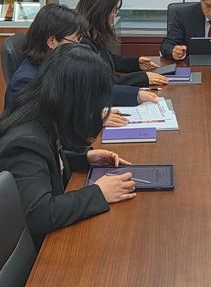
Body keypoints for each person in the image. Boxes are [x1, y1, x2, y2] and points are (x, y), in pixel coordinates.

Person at [0, 44, 137, 249]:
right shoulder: (24, 142)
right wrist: (98, 193)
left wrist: (83, 158)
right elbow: (37, 214)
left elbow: (44, 165)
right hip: (39, 255)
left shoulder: (41, 114)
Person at [4, 3, 148, 125]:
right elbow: (45, 125)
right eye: (75, 40)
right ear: (52, 42)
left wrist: (135, 95)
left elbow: (91, 92)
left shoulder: (58, 68)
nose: (79, 46)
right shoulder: (26, 81)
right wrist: (92, 119)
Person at [76, 0, 168, 89]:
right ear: (100, 12)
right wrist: (142, 78)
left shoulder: (94, 35)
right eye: (113, 11)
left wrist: (136, 64)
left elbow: (107, 60)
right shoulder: (82, 44)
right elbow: (105, 82)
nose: (115, 15)